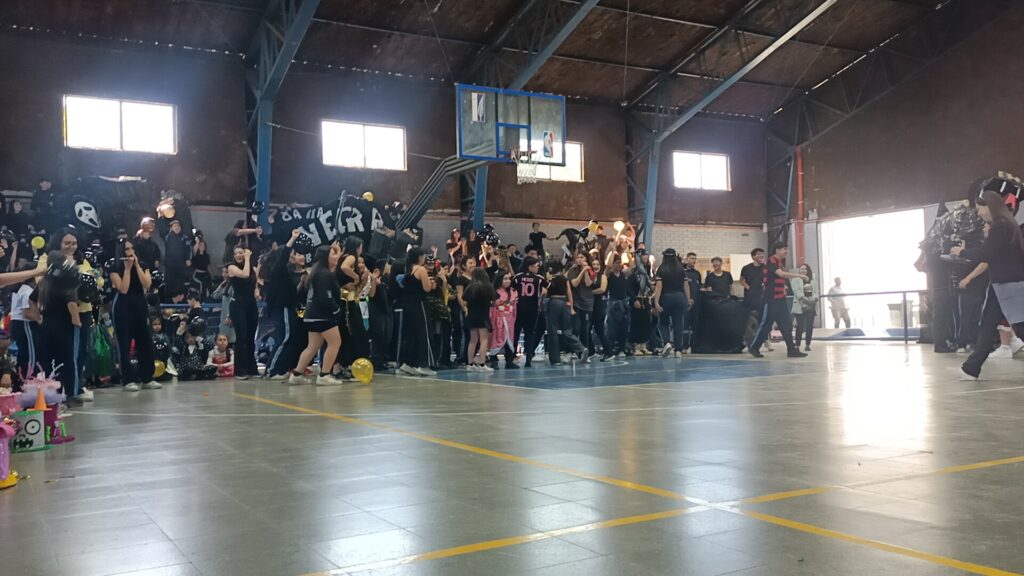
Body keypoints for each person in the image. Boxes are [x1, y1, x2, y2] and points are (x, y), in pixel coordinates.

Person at [953, 190, 1024, 379]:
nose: (979, 214)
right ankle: (971, 368)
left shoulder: (1001, 226)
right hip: (1001, 284)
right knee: (987, 325)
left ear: (989, 206)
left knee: (1020, 326)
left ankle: (971, 368)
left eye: (980, 209)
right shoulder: (1008, 225)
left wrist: (962, 252)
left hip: (1008, 285)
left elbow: (987, 253)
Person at [291, 245, 344, 386]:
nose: (336, 257)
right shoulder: (325, 274)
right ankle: (324, 375)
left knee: (313, 346)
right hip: (323, 315)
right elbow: (325, 296)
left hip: (311, 315)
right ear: (325, 257)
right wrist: (336, 310)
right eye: (333, 254)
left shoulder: (316, 272)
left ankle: (296, 374)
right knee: (335, 343)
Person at [110, 240, 159, 391]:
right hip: (123, 306)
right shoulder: (115, 267)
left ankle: (147, 377)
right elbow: (123, 289)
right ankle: (127, 379)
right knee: (124, 343)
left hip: (140, 304)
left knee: (145, 340)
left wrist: (137, 266)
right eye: (127, 249)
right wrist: (127, 269)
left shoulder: (143, 265)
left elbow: (147, 284)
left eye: (132, 248)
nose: (130, 251)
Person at [749, 243, 808, 359]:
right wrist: (799, 275)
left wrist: (783, 287)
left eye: (787, 249)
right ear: (777, 250)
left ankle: (791, 350)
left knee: (786, 325)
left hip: (780, 299)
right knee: (766, 325)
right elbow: (781, 274)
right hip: (771, 299)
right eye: (784, 249)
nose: (787, 251)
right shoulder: (771, 261)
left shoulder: (779, 263)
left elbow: (776, 278)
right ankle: (754, 347)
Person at [264, 229, 308, 380]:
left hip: (288, 307)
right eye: (292, 254)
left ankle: (280, 368)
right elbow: (283, 255)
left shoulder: (286, 272)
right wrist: (293, 238)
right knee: (284, 338)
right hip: (282, 307)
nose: (293, 257)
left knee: (289, 338)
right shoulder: (279, 268)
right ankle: (272, 370)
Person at [397, 247, 437, 377]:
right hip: (419, 304)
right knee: (424, 333)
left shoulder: (408, 269)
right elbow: (427, 288)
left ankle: (408, 363)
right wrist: (432, 285)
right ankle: (424, 364)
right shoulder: (421, 269)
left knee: (411, 334)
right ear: (419, 257)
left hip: (408, 305)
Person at [545, 262, 588, 365]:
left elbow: (544, 292)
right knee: (567, 330)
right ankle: (580, 348)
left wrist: (542, 302)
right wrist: (571, 308)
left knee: (553, 330)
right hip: (564, 303)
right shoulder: (564, 279)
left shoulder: (549, 279)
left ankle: (555, 360)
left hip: (554, 302)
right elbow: (569, 292)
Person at [226, 246, 259, 379]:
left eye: (241, 253)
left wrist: (257, 291)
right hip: (238, 305)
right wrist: (247, 258)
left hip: (251, 304)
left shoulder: (253, 268)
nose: (239, 255)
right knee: (242, 337)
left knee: (251, 337)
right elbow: (245, 275)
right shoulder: (231, 268)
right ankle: (240, 370)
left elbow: (255, 282)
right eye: (236, 253)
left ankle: (252, 368)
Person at [653, 248, 692, 357]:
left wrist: (656, 302)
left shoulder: (662, 269)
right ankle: (678, 350)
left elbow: (659, 286)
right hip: (680, 297)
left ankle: (667, 343)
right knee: (678, 323)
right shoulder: (681, 269)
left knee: (663, 322)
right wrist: (688, 299)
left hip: (666, 297)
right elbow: (686, 285)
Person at [512, 256, 548, 367]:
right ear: (530, 266)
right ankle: (528, 358)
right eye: (536, 266)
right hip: (532, 309)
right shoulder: (539, 278)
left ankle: (512, 356)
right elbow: (549, 287)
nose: (537, 268)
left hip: (519, 308)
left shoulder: (517, 277)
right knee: (530, 333)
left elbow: (512, 289)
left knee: (516, 332)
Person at [740, 248, 773, 352]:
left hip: (762, 298)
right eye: (758, 254)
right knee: (748, 321)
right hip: (749, 298)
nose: (761, 256)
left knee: (764, 320)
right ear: (753, 256)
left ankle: (766, 340)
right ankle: (747, 342)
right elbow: (741, 280)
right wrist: (748, 288)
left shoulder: (765, 268)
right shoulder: (746, 268)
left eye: (762, 254)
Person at [463, 268, 496, 372]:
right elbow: (494, 302)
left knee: (472, 340)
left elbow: (464, 301)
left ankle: (470, 364)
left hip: (472, 315)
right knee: (484, 340)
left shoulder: (470, 287)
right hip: (483, 315)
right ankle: (482, 364)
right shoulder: (488, 287)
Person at [8, 264, 37, 378]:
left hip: (16, 323)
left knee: (22, 352)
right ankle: (29, 377)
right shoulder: (27, 291)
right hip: (24, 324)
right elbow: (27, 313)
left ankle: (20, 377)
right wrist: (40, 319)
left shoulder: (20, 288)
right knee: (30, 353)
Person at [604, 255, 633, 359]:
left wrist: (628, 254)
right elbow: (607, 268)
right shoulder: (609, 275)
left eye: (620, 263)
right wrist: (612, 251)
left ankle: (621, 349)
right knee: (612, 328)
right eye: (616, 263)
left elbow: (632, 267)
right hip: (613, 304)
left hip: (623, 303)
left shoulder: (623, 274)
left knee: (624, 327)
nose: (619, 265)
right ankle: (610, 349)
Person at [568, 252, 596, 352]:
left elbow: (588, 283)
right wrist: (582, 271)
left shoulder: (591, 270)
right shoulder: (573, 270)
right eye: (578, 257)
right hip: (577, 302)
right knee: (576, 328)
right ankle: (574, 350)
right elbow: (574, 283)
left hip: (588, 303)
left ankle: (585, 351)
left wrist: (586, 271)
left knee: (585, 329)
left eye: (582, 257)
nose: (579, 259)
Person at [491, 270, 518, 369]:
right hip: (498, 318)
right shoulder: (495, 291)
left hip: (509, 319)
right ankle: (493, 360)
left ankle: (509, 361)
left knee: (509, 339)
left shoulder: (513, 291)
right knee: (496, 339)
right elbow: (492, 307)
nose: (508, 281)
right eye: (505, 279)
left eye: (509, 279)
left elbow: (514, 306)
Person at [630, 252, 654, 355]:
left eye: (646, 255)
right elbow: (629, 288)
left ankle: (643, 345)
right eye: (643, 255)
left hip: (646, 299)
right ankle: (636, 346)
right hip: (637, 299)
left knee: (645, 323)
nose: (645, 257)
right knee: (637, 323)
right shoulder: (634, 272)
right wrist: (634, 299)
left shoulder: (647, 270)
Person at [790, 263, 819, 352]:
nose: (803, 270)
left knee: (809, 327)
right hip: (800, 305)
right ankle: (797, 345)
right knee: (800, 326)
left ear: (808, 270)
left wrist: (813, 298)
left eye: (805, 269)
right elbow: (796, 291)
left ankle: (807, 344)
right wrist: (804, 298)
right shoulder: (795, 279)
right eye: (801, 269)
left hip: (811, 305)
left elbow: (816, 291)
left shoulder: (813, 280)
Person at [163, 220, 191, 302]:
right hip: (170, 265)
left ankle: (181, 301)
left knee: (180, 283)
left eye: (178, 226)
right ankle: (171, 301)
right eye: (175, 226)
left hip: (181, 264)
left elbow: (188, 249)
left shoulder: (184, 237)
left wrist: (188, 259)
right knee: (170, 282)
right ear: (171, 228)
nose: (177, 227)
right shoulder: (167, 237)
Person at [683, 252, 703, 352]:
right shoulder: (683, 272)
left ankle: (694, 346)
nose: (693, 260)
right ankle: (684, 346)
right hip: (685, 303)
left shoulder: (697, 273)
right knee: (684, 325)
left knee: (695, 325)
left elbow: (698, 288)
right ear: (686, 259)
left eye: (695, 259)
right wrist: (688, 300)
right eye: (691, 258)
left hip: (696, 303)